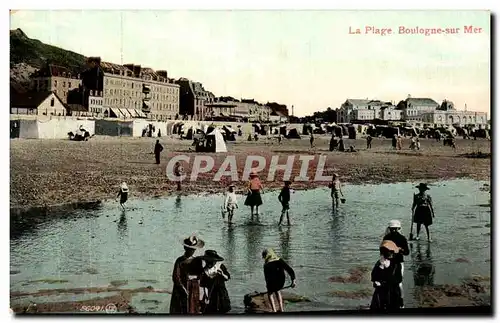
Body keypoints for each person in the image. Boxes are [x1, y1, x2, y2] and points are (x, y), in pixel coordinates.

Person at [170, 235, 205, 314]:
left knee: (193, 307)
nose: (192, 251)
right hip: (181, 288)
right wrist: (183, 289)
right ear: (185, 248)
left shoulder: (197, 261)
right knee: (181, 309)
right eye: (190, 249)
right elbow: (176, 277)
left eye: (193, 249)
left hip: (193, 288)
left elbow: (200, 275)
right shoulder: (180, 261)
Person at [382, 220, 409, 308]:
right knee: (395, 283)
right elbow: (406, 252)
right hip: (394, 262)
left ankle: (394, 302)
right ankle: (397, 303)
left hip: (392, 262)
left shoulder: (387, 237)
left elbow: (382, 252)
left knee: (393, 282)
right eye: (393, 229)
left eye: (393, 229)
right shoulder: (400, 238)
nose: (393, 230)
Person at [370, 240, 403, 311]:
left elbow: (398, 280)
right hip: (380, 294)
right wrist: (381, 267)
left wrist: (382, 283)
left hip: (393, 294)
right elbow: (373, 277)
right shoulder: (379, 264)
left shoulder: (397, 265)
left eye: (390, 252)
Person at [262, 248, 296, 312]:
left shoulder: (266, 265)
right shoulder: (279, 260)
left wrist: (268, 287)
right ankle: (281, 309)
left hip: (272, 283)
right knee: (278, 290)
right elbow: (290, 270)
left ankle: (274, 310)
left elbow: (267, 278)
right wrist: (293, 281)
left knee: (270, 294)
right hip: (281, 282)